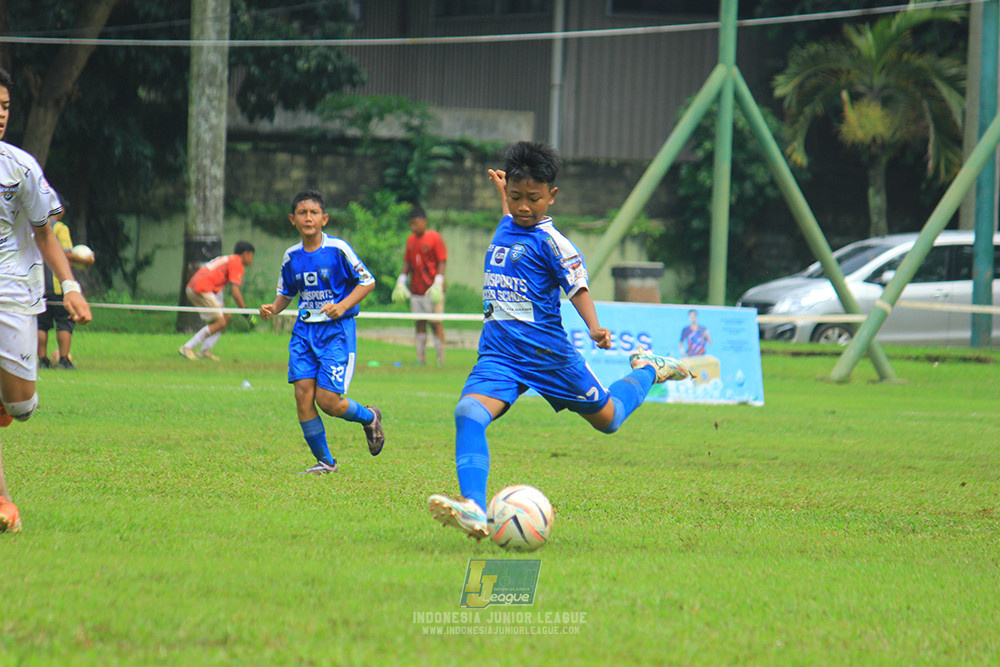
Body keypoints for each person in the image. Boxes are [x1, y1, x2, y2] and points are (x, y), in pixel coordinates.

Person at [427, 141, 693, 540]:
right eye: (515, 197)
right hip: (499, 354)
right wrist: (505, 193)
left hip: (548, 355)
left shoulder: (555, 243)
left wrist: (594, 326)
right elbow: (510, 214)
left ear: (551, 197)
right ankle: (474, 510)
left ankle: (649, 370)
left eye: (533, 199)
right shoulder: (507, 223)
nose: (522, 207)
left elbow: (577, 287)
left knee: (610, 420)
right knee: (467, 413)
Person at [0, 67, 93, 533]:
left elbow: (43, 232)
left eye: (4, 107)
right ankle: (3, 501)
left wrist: (70, 285)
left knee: (19, 406)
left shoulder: (19, 166)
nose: (0, 116)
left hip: (14, 294)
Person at [258, 190, 385, 474]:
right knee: (303, 396)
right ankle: (326, 462)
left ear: (324, 219)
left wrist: (342, 305)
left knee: (328, 401)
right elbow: (287, 292)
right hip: (304, 333)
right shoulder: (291, 256)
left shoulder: (338, 249)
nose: (308, 218)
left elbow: (367, 282)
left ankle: (369, 417)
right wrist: (273, 309)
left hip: (336, 333)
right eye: (302, 213)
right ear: (292, 219)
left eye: (314, 213)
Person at [37, 202, 95, 370]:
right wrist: (84, 260)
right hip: (58, 285)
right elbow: (64, 253)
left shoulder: (32, 226)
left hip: (39, 286)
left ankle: (42, 360)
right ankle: (64, 360)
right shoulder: (59, 228)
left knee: (41, 323)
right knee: (65, 322)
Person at [179, 241, 255, 361]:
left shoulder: (229, 259)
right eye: (252, 255)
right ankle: (187, 347)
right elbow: (235, 292)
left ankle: (204, 350)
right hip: (201, 289)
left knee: (226, 317)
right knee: (221, 322)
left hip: (195, 287)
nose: (251, 259)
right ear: (246, 254)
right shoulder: (237, 263)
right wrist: (246, 314)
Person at [393, 205, 448, 365]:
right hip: (416, 289)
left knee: (435, 323)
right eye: (411, 224)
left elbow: (442, 261)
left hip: (433, 290)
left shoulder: (434, 238)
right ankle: (420, 358)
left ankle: (440, 358)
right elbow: (407, 261)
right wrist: (402, 279)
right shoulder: (411, 240)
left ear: (424, 222)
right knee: (419, 323)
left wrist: (438, 280)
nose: (413, 227)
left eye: (416, 223)